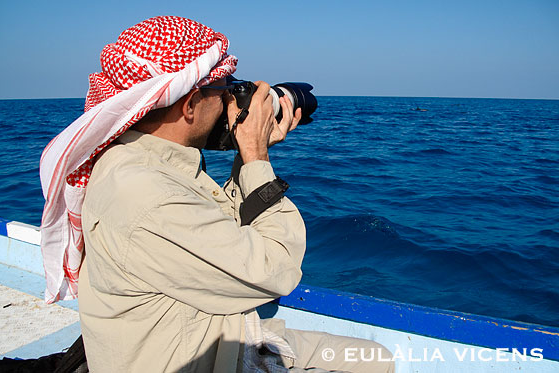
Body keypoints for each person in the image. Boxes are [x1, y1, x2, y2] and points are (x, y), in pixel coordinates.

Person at [40, 16, 394, 372]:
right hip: (197, 357)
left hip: (190, 332)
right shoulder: (148, 196)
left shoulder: (139, 161)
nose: (230, 97)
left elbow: (222, 227)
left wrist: (246, 154)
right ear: (190, 104)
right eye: (223, 87)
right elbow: (278, 271)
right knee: (375, 360)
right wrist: (256, 156)